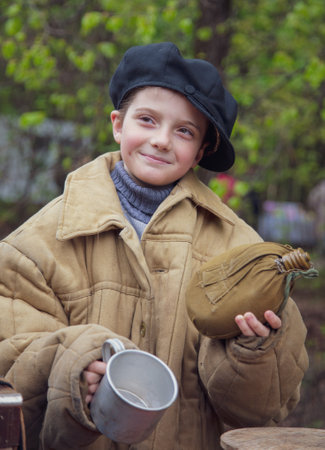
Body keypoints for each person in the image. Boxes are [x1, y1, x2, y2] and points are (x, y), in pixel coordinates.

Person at [0, 42, 308, 450]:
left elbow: (265, 411)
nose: (162, 140)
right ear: (117, 124)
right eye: (147, 120)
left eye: (184, 131)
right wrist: (74, 364)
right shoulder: (37, 244)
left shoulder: (241, 249)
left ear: (201, 150)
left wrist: (253, 351)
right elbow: (12, 366)